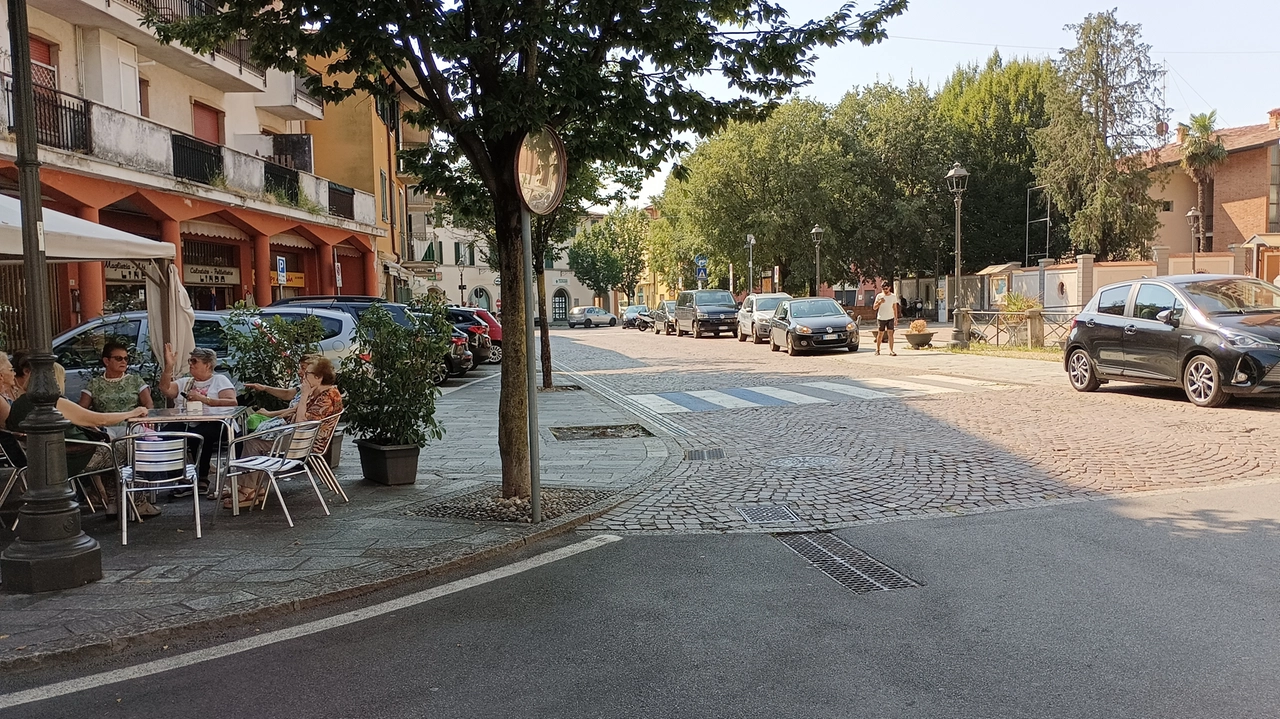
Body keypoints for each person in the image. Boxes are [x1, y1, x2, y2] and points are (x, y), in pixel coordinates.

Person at [5, 361, 150, 516]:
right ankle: (138, 503)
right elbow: (99, 419)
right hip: (72, 458)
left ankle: (114, 504)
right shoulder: (53, 402)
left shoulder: (18, 404)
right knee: (130, 446)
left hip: (42, 459)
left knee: (112, 450)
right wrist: (132, 413)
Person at [226, 357, 343, 509]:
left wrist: (305, 395)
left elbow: (301, 423)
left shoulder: (327, 397)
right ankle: (255, 488)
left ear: (318, 377)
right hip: (300, 437)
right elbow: (296, 413)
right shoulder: (323, 392)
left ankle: (248, 489)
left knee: (252, 442)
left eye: (307, 373)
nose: (303, 376)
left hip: (304, 442)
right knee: (255, 437)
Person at [158, 344, 237, 493]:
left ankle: (202, 477)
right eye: (190, 361)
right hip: (188, 420)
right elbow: (165, 389)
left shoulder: (219, 380)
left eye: (194, 361)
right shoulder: (185, 382)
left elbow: (232, 402)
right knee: (166, 434)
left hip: (216, 422)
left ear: (207, 365)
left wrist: (205, 400)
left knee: (199, 434)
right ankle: (180, 476)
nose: (190, 364)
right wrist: (169, 366)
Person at [79, 342, 154, 419]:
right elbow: (81, 410)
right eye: (119, 358)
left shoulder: (136, 380)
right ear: (106, 361)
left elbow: (148, 405)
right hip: (104, 427)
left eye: (126, 358)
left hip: (131, 427)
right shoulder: (94, 384)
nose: (123, 362)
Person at [873, 280, 900, 356]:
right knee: (880, 334)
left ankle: (891, 350)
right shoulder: (879, 296)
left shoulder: (893, 296)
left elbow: (895, 308)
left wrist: (896, 318)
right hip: (881, 318)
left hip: (890, 317)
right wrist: (879, 302)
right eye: (883, 289)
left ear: (889, 288)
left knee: (890, 334)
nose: (885, 290)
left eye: (886, 288)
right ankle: (877, 349)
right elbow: (874, 307)